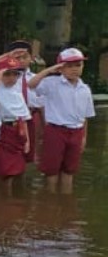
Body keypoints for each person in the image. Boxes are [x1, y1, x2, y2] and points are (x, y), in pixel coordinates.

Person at [30, 47, 95, 193]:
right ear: (61, 68)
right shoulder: (51, 83)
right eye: (69, 66)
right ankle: (51, 201)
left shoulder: (84, 89)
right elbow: (31, 85)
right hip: (56, 130)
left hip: (76, 131)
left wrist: (84, 136)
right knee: (51, 171)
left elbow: (85, 116)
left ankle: (66, 203)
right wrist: (50, 70)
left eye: (78, 65)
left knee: (69, 170)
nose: (74, 69)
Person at [0, 56, 33, 193]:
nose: (12, 78)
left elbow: (23, 118)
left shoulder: (17, 94)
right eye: (7, 74)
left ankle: (6, 198)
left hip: (17, 132)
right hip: (2, 131)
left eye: (15, 74)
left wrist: (27, 141)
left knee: (13, 171)